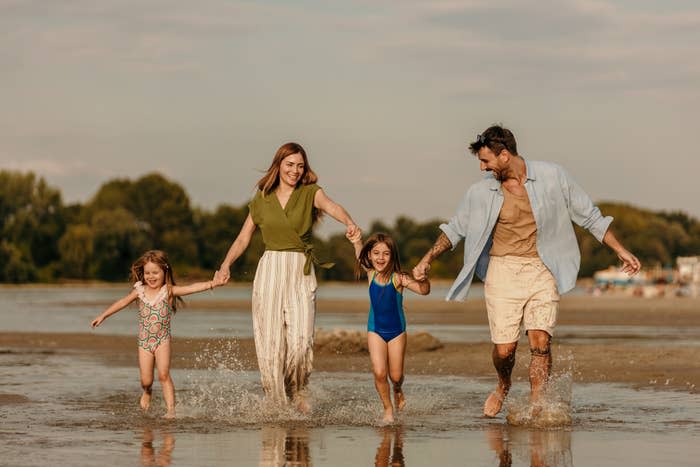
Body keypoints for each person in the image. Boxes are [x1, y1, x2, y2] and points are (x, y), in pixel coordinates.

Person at [412, 124, 641, 418]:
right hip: (502, 270)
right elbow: (455, 229)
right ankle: (504, 383)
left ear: (504, 155)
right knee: (505, 351)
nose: (483, 168)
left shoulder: (553, 176)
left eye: (486, 161)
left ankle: (538, 404)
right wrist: (427, 259)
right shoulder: (479, 193)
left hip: (543, 267)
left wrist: (620, 250)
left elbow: (590, 216)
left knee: (540, 342)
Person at [216, 142, 359, 412]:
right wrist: (225, 265)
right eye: (290, 164)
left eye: (300, 165)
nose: (295, 170)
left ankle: (299, 390)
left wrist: (350, 224)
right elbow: (244, 237)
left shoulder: (310, 193)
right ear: (279, 165)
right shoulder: (261, 198)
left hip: (300, 269)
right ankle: (275, 400)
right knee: (270, 342)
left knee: (301, 341)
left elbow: (333, 207)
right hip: (270, 268)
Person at [91, 250, 225, 418]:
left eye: (155, 272)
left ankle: (171, 411)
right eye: (147, 273)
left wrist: (213, 283)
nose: (151, 276)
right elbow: (122, 302)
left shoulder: (168, 291)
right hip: (144, 342)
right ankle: (147, 391)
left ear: (165, 271)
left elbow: (191, 288)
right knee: (146, 381)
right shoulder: (139, 291)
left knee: (163, 375)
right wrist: (103, 315)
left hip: (162, 340)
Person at [347, 231, 430, 424]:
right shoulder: (370, 273)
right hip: (375, 329)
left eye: (385, 253)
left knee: (396, 375)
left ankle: (398, 389)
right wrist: (356, 240)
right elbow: (359, 252)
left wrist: (425, 278)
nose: (380, 258)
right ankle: (388, 409)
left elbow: (423, 291)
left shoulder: (399, 278)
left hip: (396, 332)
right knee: (379, 372)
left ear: (392, 255)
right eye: (376, 253)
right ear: (369, 255)